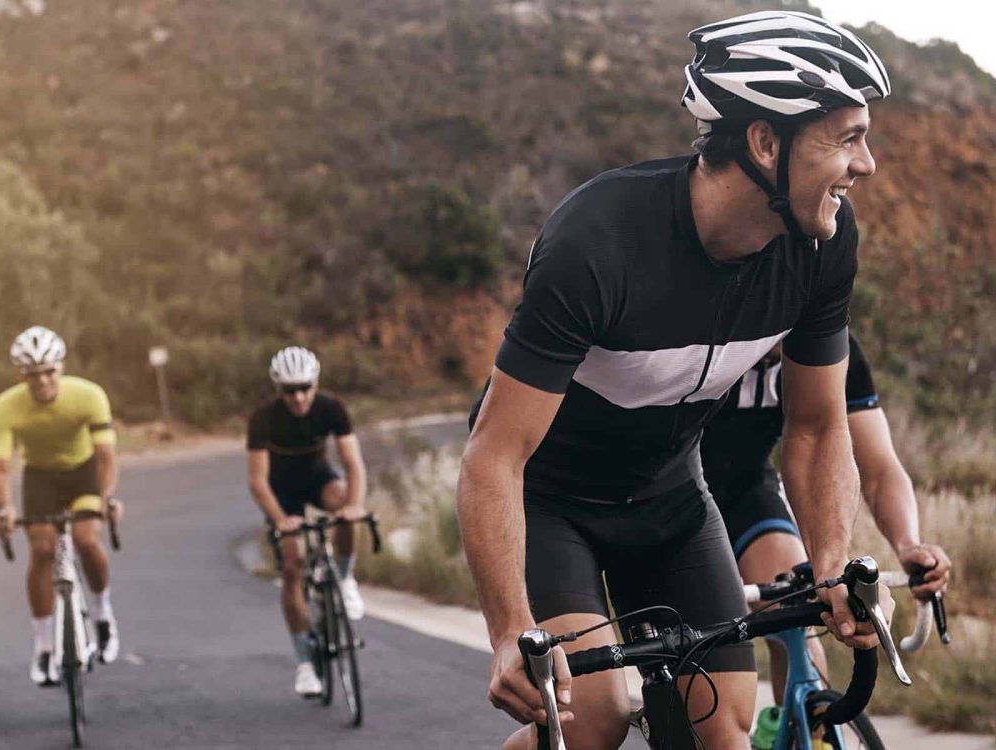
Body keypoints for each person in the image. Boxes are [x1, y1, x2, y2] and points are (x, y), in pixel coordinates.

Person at [457, 10, 895, 749]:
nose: (866, 163)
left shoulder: (823, 241)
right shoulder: (597, 245)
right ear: (764, 141)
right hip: (553, 501)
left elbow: (818, 426)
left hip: (670, 499)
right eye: (847, 137)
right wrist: (510, 632)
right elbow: (493, 455)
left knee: (722, 732)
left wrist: (829, 568)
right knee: (589, 717)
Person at [701, 333, 951, 706]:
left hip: (745, 490)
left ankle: (803, 725)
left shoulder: (826, 344)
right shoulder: (704, 330)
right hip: (663, 490)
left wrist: (908, 543)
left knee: (795, 610)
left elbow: (880, 469)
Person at [0, 325, 124, 686]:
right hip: (40, 477)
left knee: (85, 538)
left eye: (49, 371)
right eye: (33, 375)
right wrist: (4, 508)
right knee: (42, 549)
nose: (43, 381)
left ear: (60, 368)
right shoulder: (4, 407)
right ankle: (45, 647)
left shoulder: (88, 395)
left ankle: (102, 614)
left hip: (83, 473)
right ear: (22, 375)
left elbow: (106, 456)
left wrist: (107, 499)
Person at [246, 346, 369, 698]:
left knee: (345, 506)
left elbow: (353, 463)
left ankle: (345, 580)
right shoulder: (263, 418)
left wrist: (355, 507)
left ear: (315, 383)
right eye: (289, 390)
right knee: (292, 565)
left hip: (319, 480)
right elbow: (257, 480)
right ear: (277, 388)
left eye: (304, 387)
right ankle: (304, 664)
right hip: (282, 493)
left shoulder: (331, 407)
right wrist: (281, 519)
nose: (298, 396)